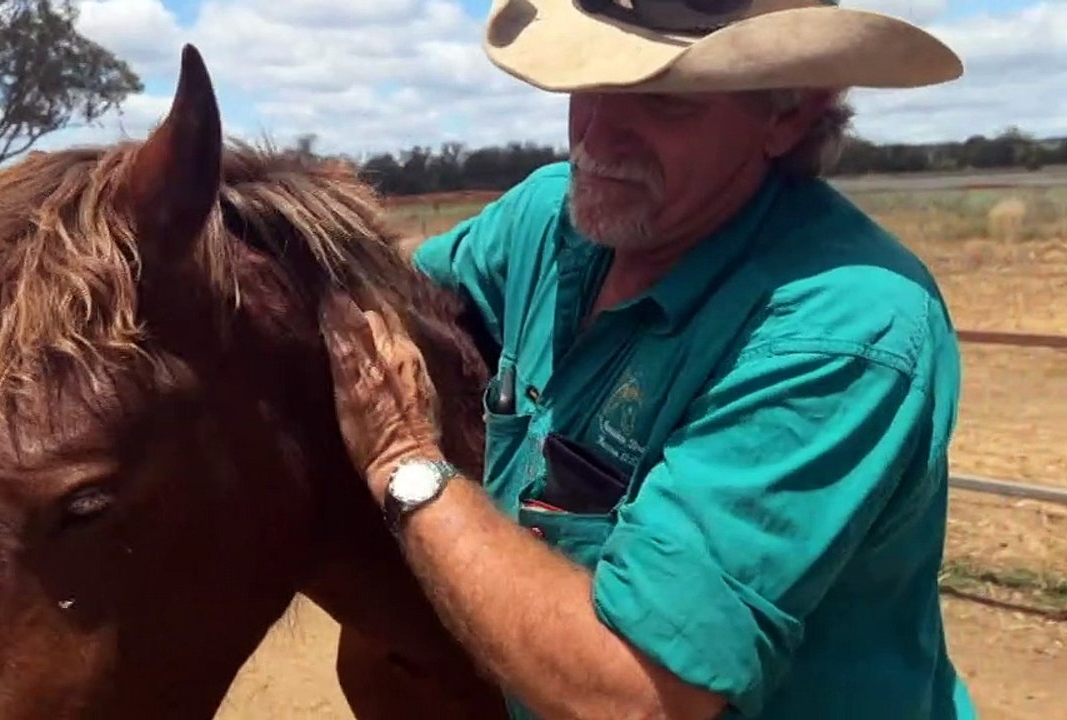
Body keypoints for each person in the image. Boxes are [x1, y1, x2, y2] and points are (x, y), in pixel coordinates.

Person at [317, 1, 976, 719]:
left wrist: (405, 461)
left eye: (663, 99)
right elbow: (400, 294)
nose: (595, 136)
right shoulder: (550, 219)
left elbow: (634, 699)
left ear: (788, 115)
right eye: (588, 81)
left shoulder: (842, 326)